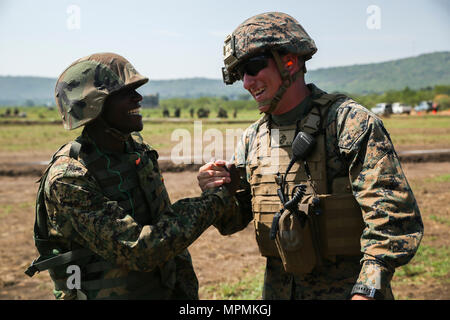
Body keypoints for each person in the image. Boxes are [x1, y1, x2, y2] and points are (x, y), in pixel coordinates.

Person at [198, 12, 424, 300]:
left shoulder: (347, 123)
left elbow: (394, 217)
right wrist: (218, 191)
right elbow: (234, 221)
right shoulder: (252, 137)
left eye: (254, 67)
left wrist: (367, 288)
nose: (246, 82)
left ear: (290, 62)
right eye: (240, 73)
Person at [25, 52, 239, 300]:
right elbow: (140, 249)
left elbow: (165, 228)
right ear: (94, 104)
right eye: (126, 92)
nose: (139, 98)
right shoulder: (69, 178)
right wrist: (216, 198)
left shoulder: (136, 151)